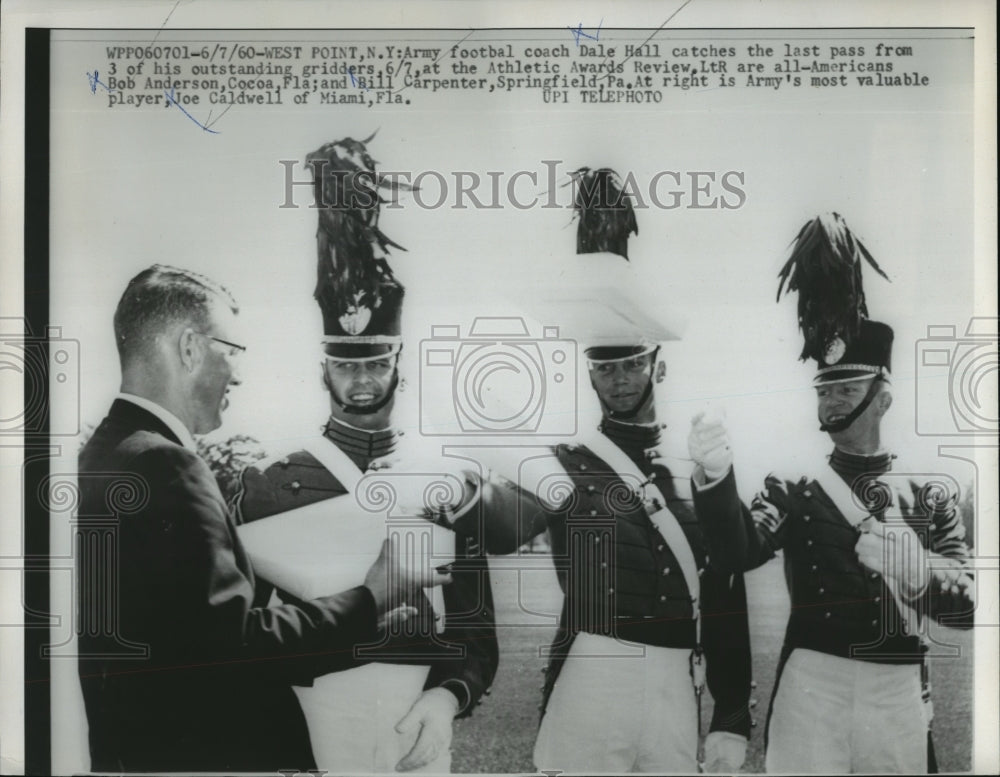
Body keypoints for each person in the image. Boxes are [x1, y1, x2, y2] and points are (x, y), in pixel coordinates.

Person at [76, 264, 442, 773]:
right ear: (189, 348)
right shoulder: (165, 464)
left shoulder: (104, 454)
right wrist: (372, 596)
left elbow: (182, 640)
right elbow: (231, 648)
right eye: (233, 351)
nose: (240, 373)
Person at [232, 135, 499, 773]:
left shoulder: (443, 479)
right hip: (314, 707)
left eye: (375, 362)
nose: (360, 381)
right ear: (323, 369)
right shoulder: (271, 481)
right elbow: (245, 633)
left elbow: (475, 627)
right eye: (344, 365)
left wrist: (447, 696)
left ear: (397, 362)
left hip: (418, 714)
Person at [473, 169, 753, 773]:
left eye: (631, 364)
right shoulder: (564, 461)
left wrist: (732, 709)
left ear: (659, 366)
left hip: (679, 676)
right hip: (593, 668)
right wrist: (482, 467)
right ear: (589, 373)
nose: (618, 380)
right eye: (604, 368)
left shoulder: (696, 465)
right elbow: (501, 530)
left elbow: (731, 576)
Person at [688, 213, 975, 773]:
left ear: (883, 398)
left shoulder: (930, 493)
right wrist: (715, 476)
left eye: (847, 388)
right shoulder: (794, 488)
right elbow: (737, 551)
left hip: (898, 689)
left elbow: (969, 605)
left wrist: (919, 573)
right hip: (812, 686)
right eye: (825, 391)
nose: (832, 404)